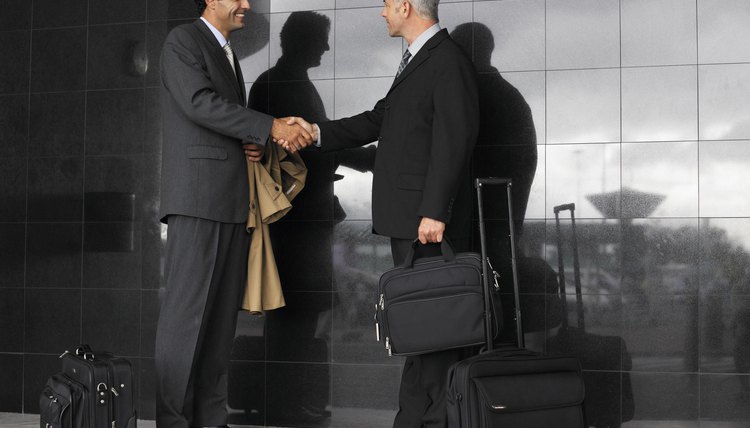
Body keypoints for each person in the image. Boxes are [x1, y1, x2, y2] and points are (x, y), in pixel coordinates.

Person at [265, 1, 479, 426]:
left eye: (385, 5)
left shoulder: (447, 60)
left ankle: (431, 421)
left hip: (425, 223)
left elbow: (455, 139)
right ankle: (413, 419)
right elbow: (380, 118)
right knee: (419, 329)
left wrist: (434, 211)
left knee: (433, 333)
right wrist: (317, 132)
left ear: (405, 6)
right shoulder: (419, 59)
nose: (381, 13)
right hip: (410, 220)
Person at [154, 0, 311, 427]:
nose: (246, 4)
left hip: (229, 202)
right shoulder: (183, 41)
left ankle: (209, 419)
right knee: (187, 320)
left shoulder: (226, 53)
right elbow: (198, 103)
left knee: (220, 325)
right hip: (198, 201)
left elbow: (224, 122)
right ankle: (174, 421)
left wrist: (255, 143)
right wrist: (269, 127)